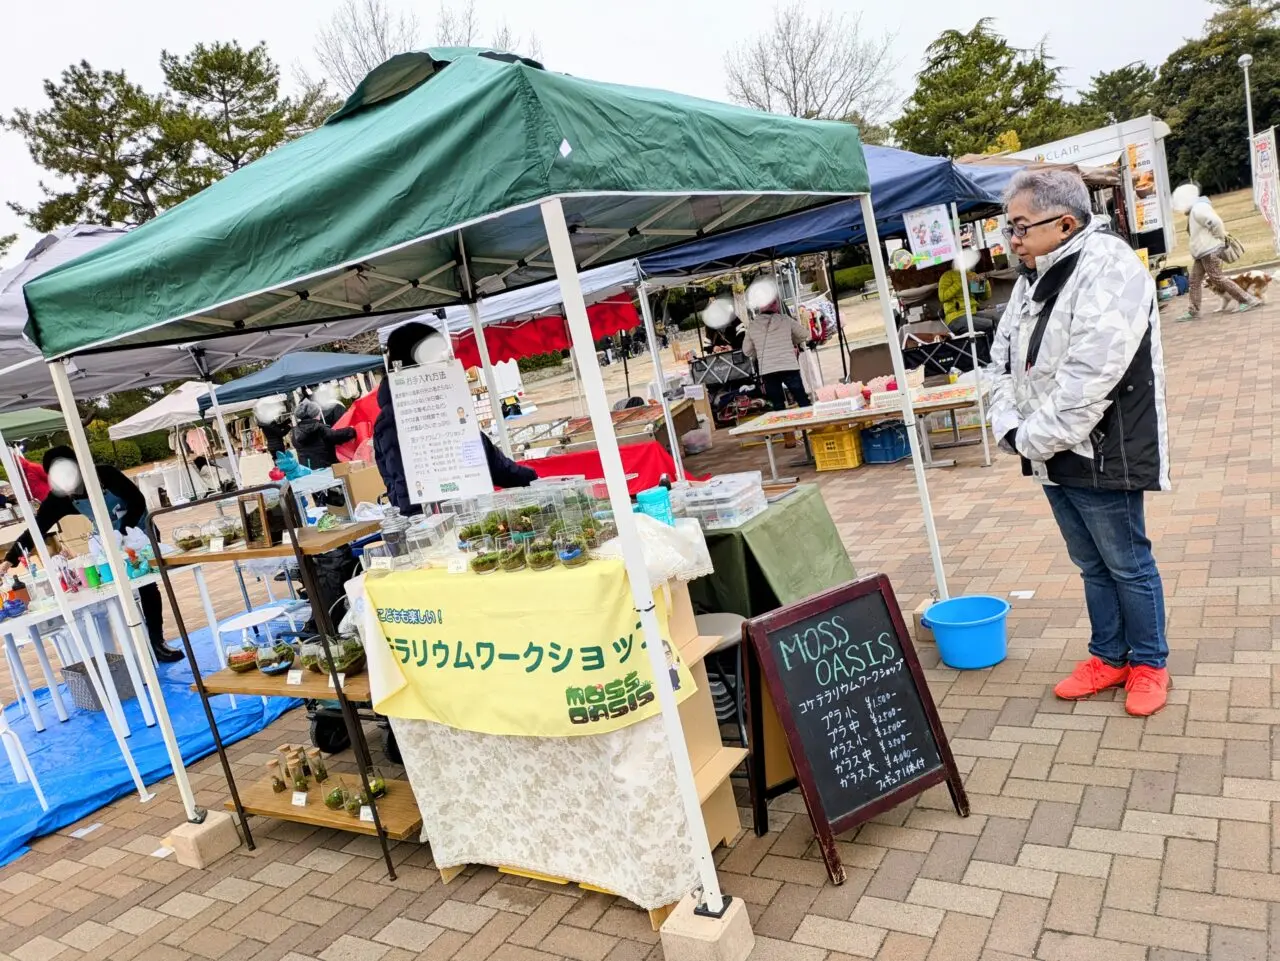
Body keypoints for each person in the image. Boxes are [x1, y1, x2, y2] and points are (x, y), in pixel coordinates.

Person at [987, 168, 1171, 716]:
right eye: (1008, 227)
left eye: (1020, 227)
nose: (1012, 239)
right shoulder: (1031, 279)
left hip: (1101, 444)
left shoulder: (1108, 268)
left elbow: (1091, 378)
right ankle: (1108, 656)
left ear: (1064, 224)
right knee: (1091, 563)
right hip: (1046, 447)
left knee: (1126, 561)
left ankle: (1149, 662)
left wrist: (1029, 436)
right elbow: (1000, 361)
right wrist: (1012, 428)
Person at [0, 447, 183, 663]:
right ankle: (135, 645)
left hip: (138, 533)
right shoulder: (60, 498)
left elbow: (137, 500)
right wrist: (9, 560)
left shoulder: (105, 474)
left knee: (147, 585)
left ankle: (156, 641)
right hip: (107, 544)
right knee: (115, 589)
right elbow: (36, 529)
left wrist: (123, 529)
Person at [374, 322, 536, 516]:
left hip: (471, 514)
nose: (446, 359)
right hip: (432, 527)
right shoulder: (394, 419)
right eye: (437, 353)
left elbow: (485, 457)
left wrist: (532, 477)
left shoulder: (446, 402)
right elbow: (405, 489)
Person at [1173, 183, 1260, 320]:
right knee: (1194, 281)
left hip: (1209, 251)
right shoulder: (1196, 209)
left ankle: (1247, 300)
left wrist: (1219, 237)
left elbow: (1216, 222)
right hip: (1202, 253)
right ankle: (1193, 311)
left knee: (1217, 278)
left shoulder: (1199, 209)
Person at [743, 298, 811, 410]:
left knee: (778, 405)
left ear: (760, 307)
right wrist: (791, 341)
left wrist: (759, 351)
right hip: (788, 365)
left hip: (767, 369)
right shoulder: (785, 319)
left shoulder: (753, 325)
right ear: (776, 305)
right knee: (802, 399)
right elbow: (804, 334)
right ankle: (811, 425)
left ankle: (785, 427)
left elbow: (747, 350)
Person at [291, 400, 357, 470]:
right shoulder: (319, 428)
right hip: (326, 467)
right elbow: (335, 436)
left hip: (307, 468)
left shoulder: (295, 431)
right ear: (315, 414)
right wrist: (351, 430)